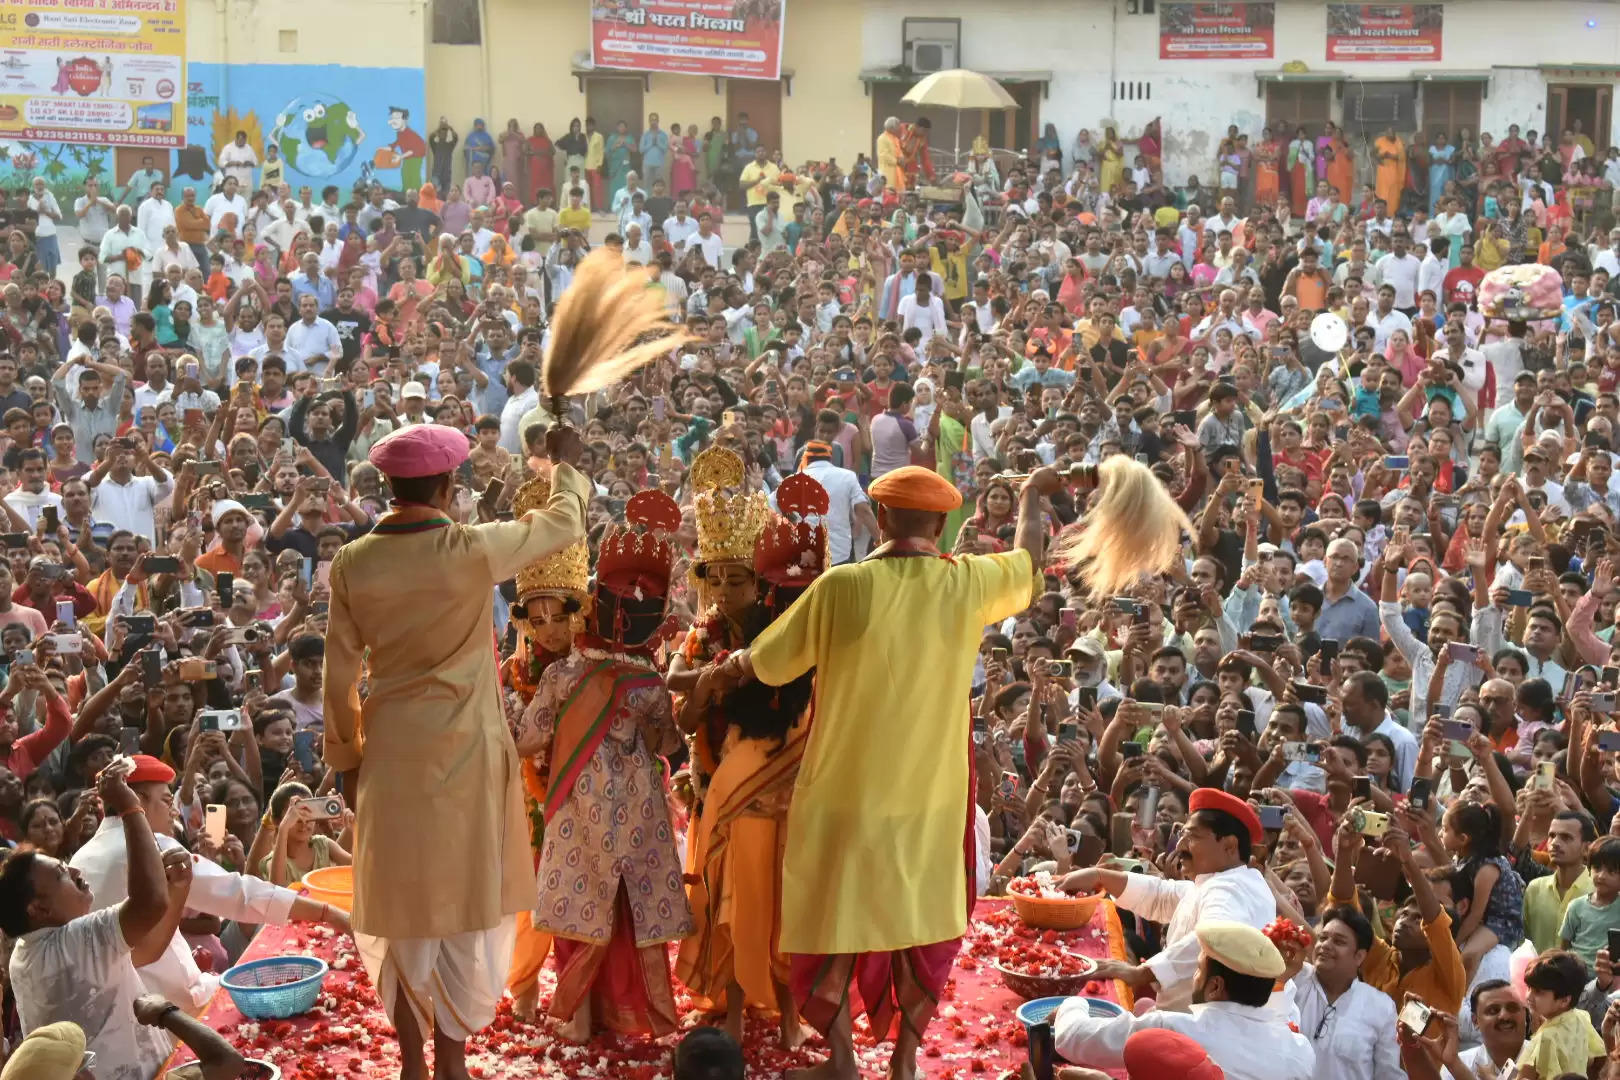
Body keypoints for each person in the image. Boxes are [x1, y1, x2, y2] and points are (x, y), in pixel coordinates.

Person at [718, 458, 1189, 1080]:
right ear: (942, 525)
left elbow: (768, 663)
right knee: (920, 931)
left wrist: (706, 673)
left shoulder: (841, 585)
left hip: (842, 793)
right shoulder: (966, 582)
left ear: (879, 516)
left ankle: (840, 1061)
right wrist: (1032, 494)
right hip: (933, 799)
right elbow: (1027, 566)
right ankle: (906, 1062)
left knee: (832, 924)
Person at [322, 422, 590, 1080]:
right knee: (464, 910)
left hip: (391, 757)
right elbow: (561, 525)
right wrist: (565, 467)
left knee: (405, 915)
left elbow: (338, 677)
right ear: (445, 487)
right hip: (467, 755)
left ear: (387, 487)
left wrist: (348, 761)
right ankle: (451, 1062)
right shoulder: (470, 549)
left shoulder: (352, 562)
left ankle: (414, 1064)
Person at [513, 488, 692, 1041]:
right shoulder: (646, 680)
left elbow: (526, 739)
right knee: (627, 907)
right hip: (637, 806)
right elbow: (666, 742)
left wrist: (502, 706)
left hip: (576, 805)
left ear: (590, 607)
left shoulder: (563, 675)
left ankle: (579, 1020)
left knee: (577, 906)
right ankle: (628, 1014)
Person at [677, 469, 827, 1049]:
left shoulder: (784, 636)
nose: (722, 593)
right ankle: (736, 1013)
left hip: (789, 775)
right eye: (713, 580)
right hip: (726, 784)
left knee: (785, 898)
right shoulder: (702, 636)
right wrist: (707, 685)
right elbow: (684, 725)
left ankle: (790, 1011)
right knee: (736, 899)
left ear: (759, 586)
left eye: (736, 580)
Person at [0, 757, 186, 1080]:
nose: (74, 870)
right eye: (60, 874)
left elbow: (142, 951)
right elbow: (151, 901)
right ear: (38, 910)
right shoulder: (72, 941)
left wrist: (175, 890)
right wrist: (128, 805)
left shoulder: (23, 954)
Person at [501, 469, 591, 1019]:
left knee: (583, 894)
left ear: (580, 613)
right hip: (533, 802)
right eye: (536, 620)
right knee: (532, 893)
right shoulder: (514, 671)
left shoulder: (594, 667)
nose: (549, 630)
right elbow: (513, 739)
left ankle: (580, 996)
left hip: (586, 797)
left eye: (560, 617)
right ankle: (527, 986)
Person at [1060, 788, 1276, 1009]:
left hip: (1205, 1032)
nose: (1180, 846)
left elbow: (1217, 937)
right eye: (1182, 835)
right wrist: (1100, 876)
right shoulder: (1219, 883)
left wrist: (1141, 973)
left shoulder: (1231, 890)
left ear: (1229, 846)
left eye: (1192, 837)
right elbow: (1161, 895)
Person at [1052, 921, 1314, 1080]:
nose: (1195, 977)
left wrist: (1072, 1004)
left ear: (1215, 986)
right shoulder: (1299, 1051)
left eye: (1199, 969)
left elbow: (1072, 1039)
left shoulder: (1175, 1031)